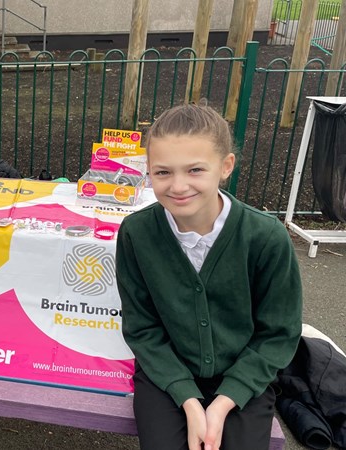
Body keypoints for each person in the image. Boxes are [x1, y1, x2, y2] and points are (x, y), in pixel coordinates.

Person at [115, 103, 302, 450]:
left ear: (225, 166)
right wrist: (188, 400)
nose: (179, 186)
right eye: (163, 172)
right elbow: (142, 328)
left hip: (244, 375)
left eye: (195, 170)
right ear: (148, 171)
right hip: (165, 374)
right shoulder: (136, 233)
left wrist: (223, 402)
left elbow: (278, 333)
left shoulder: (266, 237)